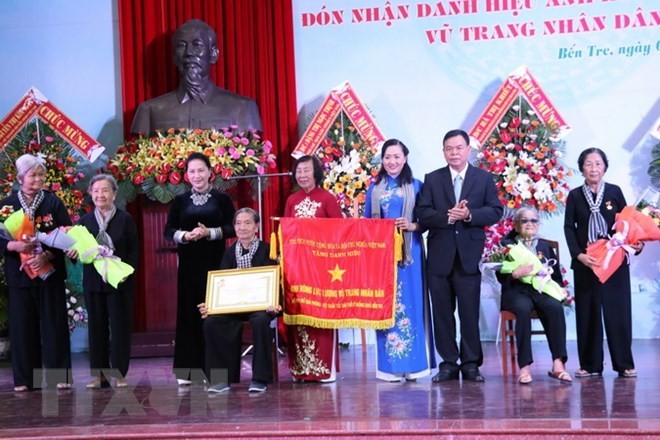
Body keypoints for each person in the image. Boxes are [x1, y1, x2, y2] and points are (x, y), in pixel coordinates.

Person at [417, 129, 502, 382]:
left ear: (468, 150)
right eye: (449, 149)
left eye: (458, 148)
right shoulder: (432, 179)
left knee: (468, 312)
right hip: (440, 258)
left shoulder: (483, 178)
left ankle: (471, 363)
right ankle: (448, 363)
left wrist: (469, 215)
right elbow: (423, 213)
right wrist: (448, 215)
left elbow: (495, 211)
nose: (454, 153)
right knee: (442, 313)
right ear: (443, 152)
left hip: (468, 256)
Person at [564, 147, 642, 378]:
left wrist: (636, 244)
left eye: (598, 163)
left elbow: (628, 223)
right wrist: (578, 255)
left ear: (605, 167)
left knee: (618, 313)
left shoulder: (615, 192)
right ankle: (590, 365)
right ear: (582, 168)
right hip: (587, 262)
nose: (594, 168)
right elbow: (569, 227)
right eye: (589, 164)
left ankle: (624, 364)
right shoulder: (575, 195)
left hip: (614, 261)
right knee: (587, 314)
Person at [363, 139, 434, 381]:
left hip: (410, 255)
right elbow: (365, 224)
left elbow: (428, 219)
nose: (392, 161)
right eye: (387, 157)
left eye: (396, 156)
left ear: (405, 158)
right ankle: (389, 367)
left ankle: (415, 366)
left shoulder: (417, 186)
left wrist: (412, 225)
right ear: (382, 160)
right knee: (387, 305)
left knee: (412, 303)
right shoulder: (374, 189)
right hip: (383, 257)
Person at [0, 154, 73, 391]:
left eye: (41, 174)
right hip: (20, 275)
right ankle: (24, 380)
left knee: (54, 325)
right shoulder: (7, 205)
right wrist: (13, 246)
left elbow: (68, 236)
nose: (38, 179)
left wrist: (48, 254)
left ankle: (59, 376)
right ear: (21, 178)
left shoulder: (53, 203)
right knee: (22, 328)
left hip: (49, 273)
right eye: (33, 175)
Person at [164, 152, 236, 385]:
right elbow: (168, 230)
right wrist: (185, 235)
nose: (196, 175)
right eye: (192, 171)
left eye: (201, 170)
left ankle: (213, 369)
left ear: (209, 172)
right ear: (187, 175)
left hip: (216, 264)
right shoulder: (180, 201)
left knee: (213, 314)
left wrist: (210, 232)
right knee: (188, 313)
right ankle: (187, 371)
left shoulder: (222, 199)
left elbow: (233, 227)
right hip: (188, 265)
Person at [130, 19, 262, 135]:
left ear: (214, 54)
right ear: (174, 57)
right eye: (182, 46)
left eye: (197, 45)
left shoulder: (243, 108)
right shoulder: (149, 111)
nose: (189, 52)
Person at [197, 208, 280, 393]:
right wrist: (211, 304)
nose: (242, 227)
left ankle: (260, 379)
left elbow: (276, 282)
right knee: (212, 322)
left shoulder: (268, 250)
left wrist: (275, 303)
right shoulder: (229, 252)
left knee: (260, 321)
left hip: (261, 306)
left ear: (257, 227)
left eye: (248, 223)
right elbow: (222, 285)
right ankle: (220, 380)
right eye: (238, 223)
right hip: (233, 306)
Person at [74, 174, 139, 389]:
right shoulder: (84, 222)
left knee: (120, 327)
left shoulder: (125, 219)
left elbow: (133, 251)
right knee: (97, 328)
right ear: (91, 194)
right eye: (96, 191)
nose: (100, 195)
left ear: (114, 194)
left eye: (105, 190)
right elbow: (80, 252)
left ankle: (120, 374)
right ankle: (98, 375)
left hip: (118, 281)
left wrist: (126, 272)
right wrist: (74, 252)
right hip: (93, 281)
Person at [284, 155, 343, 382]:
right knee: (300, 314)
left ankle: (324, 369)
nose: (302, 175)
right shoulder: (292, 200)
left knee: (321, 315)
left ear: (316, 173)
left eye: (307, 170)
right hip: (297, 267)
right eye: (299, 171)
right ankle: (301, 370)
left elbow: (340, 232)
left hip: (322, 268)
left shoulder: (327, 199)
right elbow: (287, 233)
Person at [496, 207, 571, 384]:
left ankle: (558, 364)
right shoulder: (508, 246)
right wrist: (515, 273)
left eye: (533, 220)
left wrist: (558, 289)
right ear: (515, 225)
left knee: (554, 307)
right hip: (516, 290)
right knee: (522, 310)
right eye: (524, 220)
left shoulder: (544, 246)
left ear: (538, 224)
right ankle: (524, 367)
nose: (530, 224)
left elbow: (557, 277)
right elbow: (499, 275)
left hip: (541, 290)